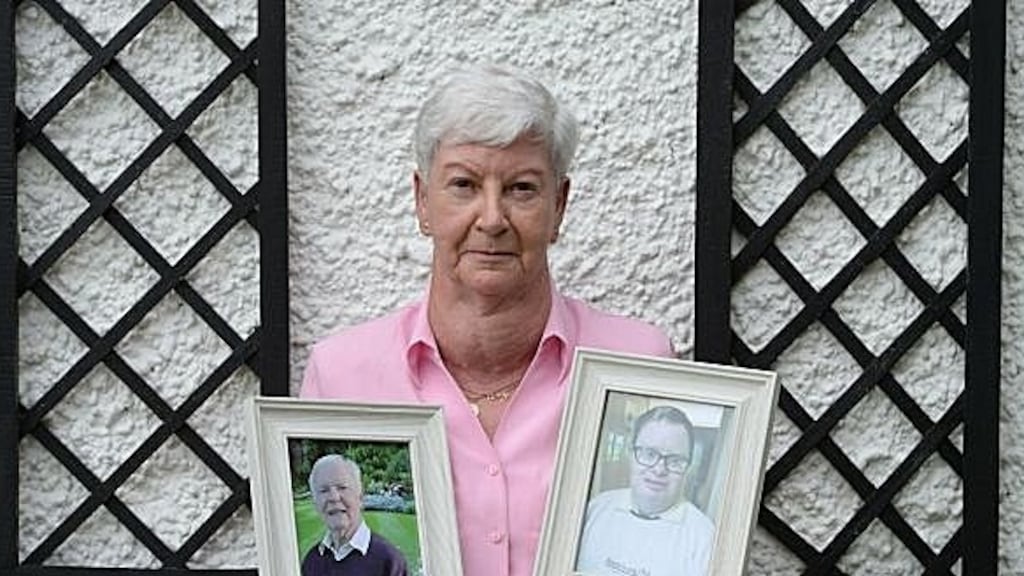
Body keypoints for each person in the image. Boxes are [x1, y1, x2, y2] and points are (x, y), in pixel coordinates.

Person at [301, 63, 674, 576]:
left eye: (522, 188)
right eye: (463, 184)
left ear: (559, 206)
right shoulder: (340, 374)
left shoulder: (639, 366)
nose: (493, 218)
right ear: (422, 201)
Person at [576, 406, 715, 576]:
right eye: (649, 454)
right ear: (630, 454)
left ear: (688, 467)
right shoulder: (595, 509)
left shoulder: (706, 539)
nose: (659, 470)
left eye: (674, 460)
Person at [301, 454, 408, 576]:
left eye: (342, 487)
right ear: (315, 502)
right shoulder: (312, 561)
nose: (334, 497)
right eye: (323, 490)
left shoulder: (389, 561)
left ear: (360, 497)